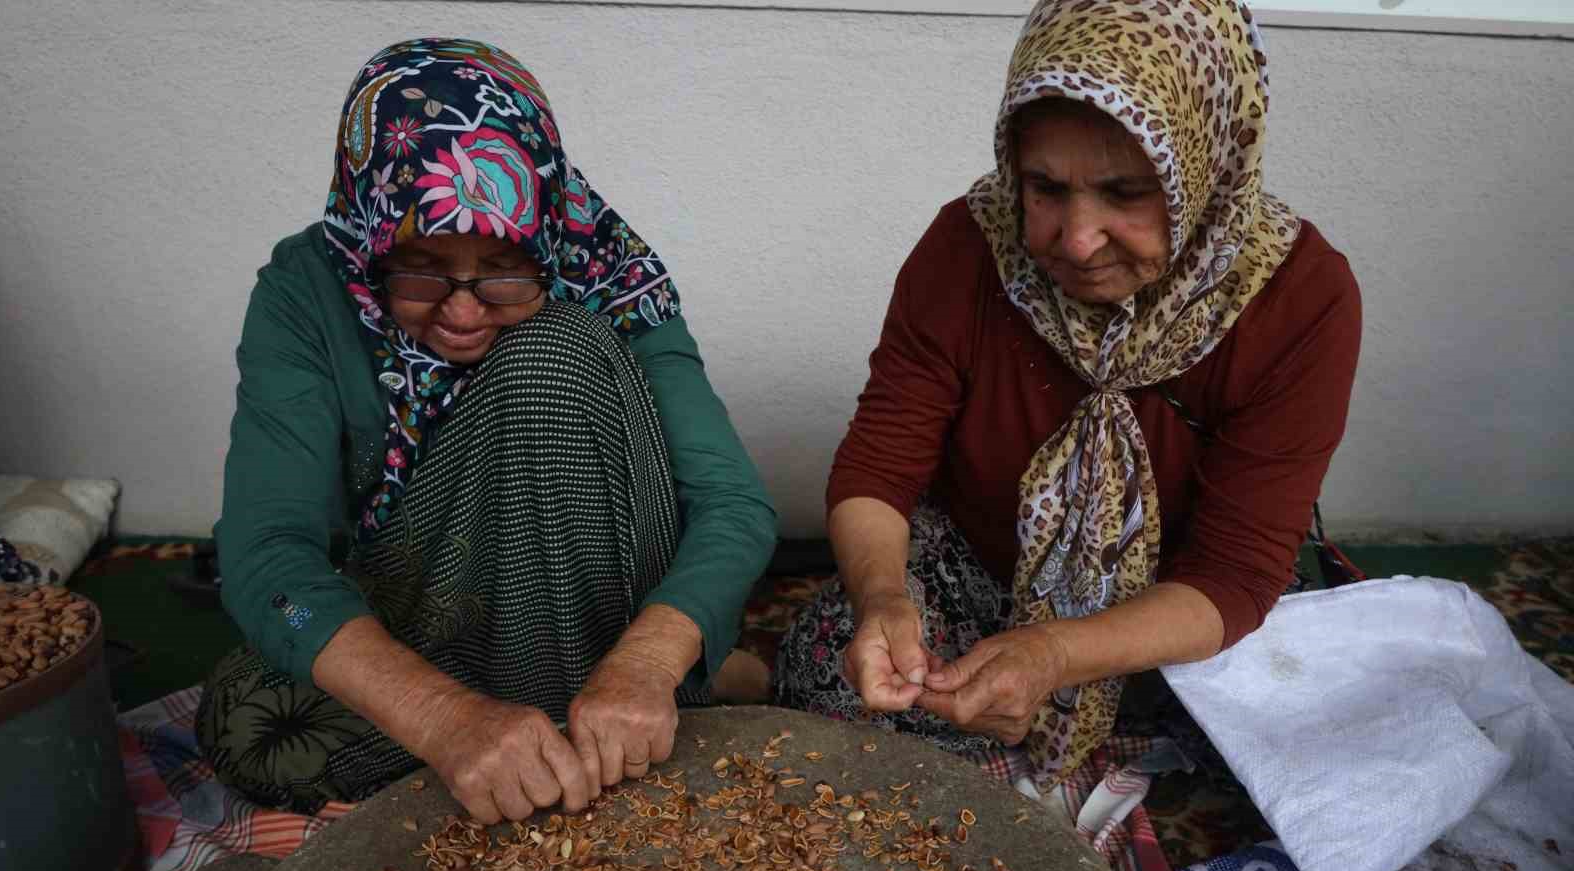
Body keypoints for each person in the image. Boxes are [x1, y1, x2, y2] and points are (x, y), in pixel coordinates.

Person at [776, 0, 1361, 793]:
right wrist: (885, 599)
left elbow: (1232, 575)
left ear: (1206, 168)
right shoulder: (970, 248)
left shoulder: (1298, 297)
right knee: (833, 671)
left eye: (1125, 193)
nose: (1076, 240)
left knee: (1308, 748)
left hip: (1174, 608)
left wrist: (1054, 653)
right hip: (983, 578)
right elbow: (879, 469)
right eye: (1045, 188)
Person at [198, 39, 776, 823]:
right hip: (426, 607)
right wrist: (444, 719)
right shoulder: (305, 292)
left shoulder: (606, 269)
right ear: (375, 234)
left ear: (543, 234)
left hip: (598, 602)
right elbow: (265, 552)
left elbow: (734, 504)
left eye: (505, 268)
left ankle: (628, 694)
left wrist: (646, 662)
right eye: (422, 266)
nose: (464, 311)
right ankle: (590, 717)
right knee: (250, 730)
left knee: (551, 354)